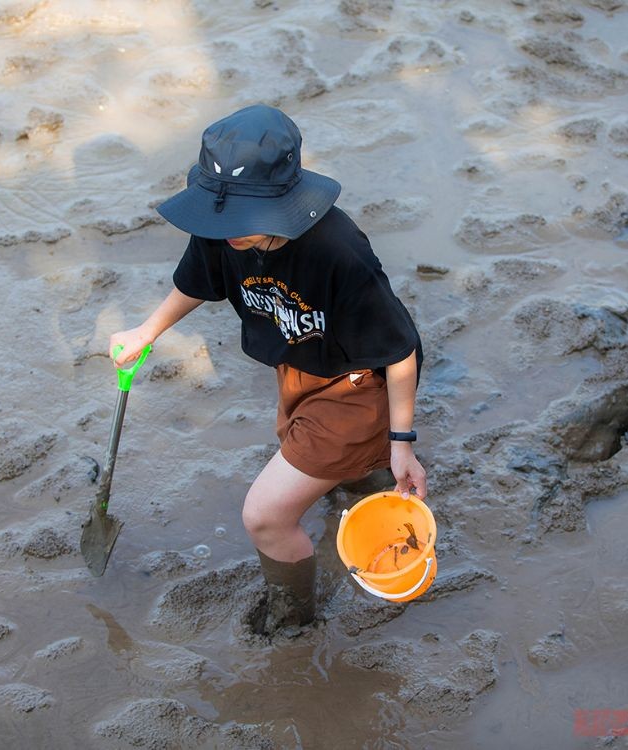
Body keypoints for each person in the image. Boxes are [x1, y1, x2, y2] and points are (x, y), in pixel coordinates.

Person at [110, 104, 426, 634]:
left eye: (243, 216)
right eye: (222, 213)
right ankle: (365, 477)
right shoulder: (221, 230)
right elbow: (197, 280)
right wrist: (148, 331)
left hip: (355, 387)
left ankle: (293, 620)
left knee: (266, 516)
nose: (229, 229)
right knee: (337, 466)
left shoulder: (338, 251)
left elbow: (399, 352)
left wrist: (402, 442)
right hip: (297, 367)